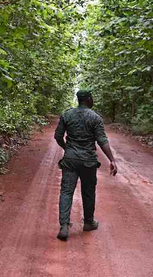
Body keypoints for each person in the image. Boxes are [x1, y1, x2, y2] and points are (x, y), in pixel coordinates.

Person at [54, 89, 118, 241]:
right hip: (88, 161)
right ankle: (88, 222)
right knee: (88, 191)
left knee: (66, 191)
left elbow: (58, 136)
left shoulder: (67, 115)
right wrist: (112, 159)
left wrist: (67, 148)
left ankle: (64, 226)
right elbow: (102, 140)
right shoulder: (95, 117)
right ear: (89, 99)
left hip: (70, 160)